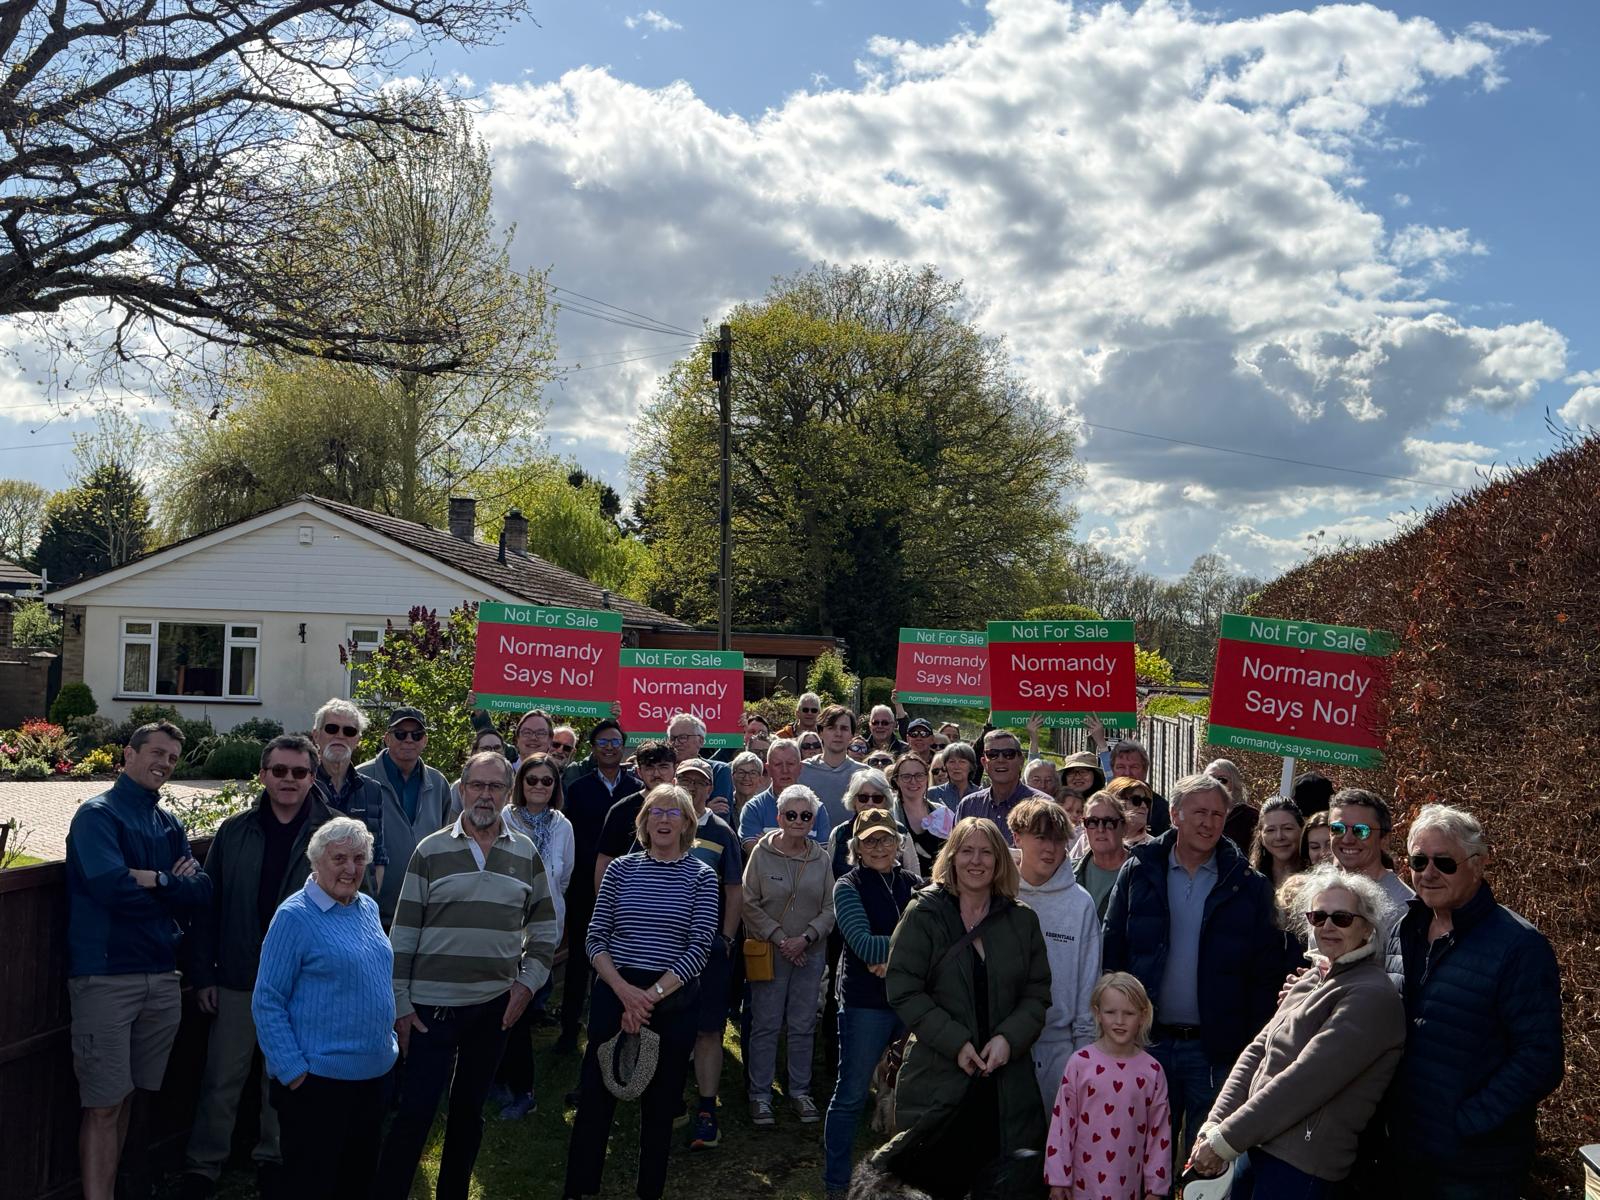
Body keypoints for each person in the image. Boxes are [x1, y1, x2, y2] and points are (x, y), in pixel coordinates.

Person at [374, 750, 559, 1200]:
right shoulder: (431, 849)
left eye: (495, 787)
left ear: (508, 794)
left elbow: (544, 928)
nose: (485, 795)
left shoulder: (525, 852)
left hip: (495, 1007)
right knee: (415, 1114)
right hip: (430, 1010)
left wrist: (526, 985)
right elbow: (403, 933)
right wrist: (400, 1004)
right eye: (477, 785)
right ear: (462, 790)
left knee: (468, 1113)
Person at [1187, 863, 1405, 1197]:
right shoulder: (1311, 978)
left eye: (1342, 918)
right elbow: (1257, 1052)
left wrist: (1225, 1139)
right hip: (1257, 1145)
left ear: (1367, 928)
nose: (1328, 926)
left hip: (1302, 1166)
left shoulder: (1371, 994)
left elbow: (1305, 1080)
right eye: (1318, 917)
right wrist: (1214, 1124)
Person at [1382, 804, 1563, 1199]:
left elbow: (1541, 1058)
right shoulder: (1401, 930)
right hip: (1401, 1153)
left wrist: (1467, 1122)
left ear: (1478, 865)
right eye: (1419, 861)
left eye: (1445, 862)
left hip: (1474, 1167)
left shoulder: (1519, 946)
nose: (1429, 873)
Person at [181, 735, 335, 1200]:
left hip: (302, 983)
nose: (289, 779)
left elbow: (350, 905)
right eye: (279, 770)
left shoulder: (333, 833)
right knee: (220, 1078)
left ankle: (273, 1160)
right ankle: (203, 1166)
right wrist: (204, 975)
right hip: (238, 975)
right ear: (264, 774)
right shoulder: (234, 831)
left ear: (312, 777)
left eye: (299, 772)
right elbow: (209, 906)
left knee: (284, 1078)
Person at [1101, 773, 1282, 1167]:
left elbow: (1264, 974)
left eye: (1217, 814)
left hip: (1214, 1051)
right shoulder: (1140, 871)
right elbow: (1113, 950)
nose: (1208, 822)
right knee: (1143, 1156)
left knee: (1206, 1165)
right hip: (1148, 1042)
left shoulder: (1248, 886)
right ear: (1175, 815)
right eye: (1199, 812)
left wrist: (1248, 1044)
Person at [66, 720, 212, 1200]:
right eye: (156, 753)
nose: (164, 764)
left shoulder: (167, 822)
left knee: (129, 1096)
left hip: (161, 975)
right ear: (128, 754)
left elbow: (201, 890)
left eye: (172, 758)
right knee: (103, 1104)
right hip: (106, 976)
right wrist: (172, 888)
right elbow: (111, 889)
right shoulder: (97, 816)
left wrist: (158, 880)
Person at [872, 817, 1052, 1199]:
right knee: (932, 1185)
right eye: (967, 851)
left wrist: (1008, 1039)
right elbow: (903, 988)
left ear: (1000, 860)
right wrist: (956, 1042)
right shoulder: (924, 914)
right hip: (939, 1080)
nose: (976, 860)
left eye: (986, 852)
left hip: (1006, 1088)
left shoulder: (1022, 920)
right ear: (951, 857)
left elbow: (1037, 994)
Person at [562, 785, 719, 1200]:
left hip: (672, 997)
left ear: (687, 823)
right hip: (615, 990)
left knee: (661, 1102)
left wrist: (648, 997)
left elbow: (700, 948)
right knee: (595, 1096)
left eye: (673, 813)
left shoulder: (702, 876)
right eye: (656, 812)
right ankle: (580, 1189)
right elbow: (596, 937)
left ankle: (649, 1190)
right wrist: (623, 991)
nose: (663, 819)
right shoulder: (620, 870)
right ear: (644, 822)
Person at [251, 817, 396, 1200]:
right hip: (318, 1085)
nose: (351, 868)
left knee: (358, 1185)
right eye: (339, 858)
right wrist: (293, 1071)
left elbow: (375, 976)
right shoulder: (294, 916)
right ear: (316, 861)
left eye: (359, 858)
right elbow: (267, 1000)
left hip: (372, 1078)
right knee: (312, 1187)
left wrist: (388, 1044)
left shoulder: (366, 907)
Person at [821, 809, 920, 1200]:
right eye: (870, 840)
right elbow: (862, 944)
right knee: (851, 1093)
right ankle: (836, 1183)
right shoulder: (847, 886)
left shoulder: (914, 884)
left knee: (912, 1094)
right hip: (865, 1004)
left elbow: (934, 940)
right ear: (857, 848)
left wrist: (893, 958)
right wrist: (909, 952)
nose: (879, 847)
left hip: (909, 1001)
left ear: (898, 843)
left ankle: (903, 1181)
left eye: (887, 839)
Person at [742, 784, 837, 1126]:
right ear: (779, 817)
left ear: (813, 820)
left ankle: (800, 1090)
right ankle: (760, 1094)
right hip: (770, 952)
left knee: (802, 1024)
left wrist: (806, 938)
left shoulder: (821, 858)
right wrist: (783, 939)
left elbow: (831, 906)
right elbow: (749, 902)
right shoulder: (761, 853)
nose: (799, 820)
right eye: (792, 814)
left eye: (806, 815)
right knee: (765, 1024)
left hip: (810, 953)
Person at [666, 759, 746, 1150]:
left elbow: (734, 888)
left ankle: (706, 1110)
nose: (692, 788)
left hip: (708, 948)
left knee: (708, 1029)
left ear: (710, 789)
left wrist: (727, 938)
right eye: (685, 780)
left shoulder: (722, 832)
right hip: (663, 946)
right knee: (666, 1025)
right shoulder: (660, 822)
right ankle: (669, 1099)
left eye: (700, 782)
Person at [495, 753, 575, 1118]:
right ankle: (502, 1080)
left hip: (543, 929)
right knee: (503, 1006)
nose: (539, 786)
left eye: (547, 780)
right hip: (504, 926)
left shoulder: (562, 825)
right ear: (520, 783)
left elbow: (563, 877)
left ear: (555, 786)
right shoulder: (505, 819)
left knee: (522, 1008)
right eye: (532, 780)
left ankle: (522, 1090)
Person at [1043, 972, 1172, 1200]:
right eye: (1111, 1012)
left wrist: (1156, 1189)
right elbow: (1062, 1123)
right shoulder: (1080, 1063)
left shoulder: (1152, 1071)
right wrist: (1058, 1178)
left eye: (1129, 1013)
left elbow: (1159, 1133)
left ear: (1143, 1016)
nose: (1119, 1021)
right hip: (1081, 1188)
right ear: (1097, 1013)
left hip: (1128, 1188)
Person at [1007, 798, 1100, 1109]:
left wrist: (1083, 1055)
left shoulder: (1080, 903)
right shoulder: (999, 893)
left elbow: (1089, 982)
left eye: (1058, 839)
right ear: (1017, 837)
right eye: (1040, 837)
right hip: (1001, 1045)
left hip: (1059, 1049)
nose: (1050, 848)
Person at [555, 720, 641, 1055]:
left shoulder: (637, 790)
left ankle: (614, 1030)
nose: (609, 747)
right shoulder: (578, 789)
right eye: (603, 742)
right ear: (593, 748)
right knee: (579, 959)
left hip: (628, 889)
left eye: (615, 742)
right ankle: (569, 1030)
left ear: (623, 746)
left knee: (619, 960)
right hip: (583, 885)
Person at [357, 706, 456, 922]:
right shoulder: (361, 779)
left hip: (424, 911)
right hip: (371, 912)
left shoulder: (438, 783)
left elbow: (445, 841)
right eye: (400, 734)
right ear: (387, 738)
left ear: (425, 740)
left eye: (416, 734)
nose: (409, 740)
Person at [309, 697, 389, 895]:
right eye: (332, 729)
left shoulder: (372, 790)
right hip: (311, 900)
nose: (340, 736)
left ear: (358, 740)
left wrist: (371, 895)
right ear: (316, 735)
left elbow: (378, 854)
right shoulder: (303, 786)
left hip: (356, 901)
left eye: (349, 731)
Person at [953, 730, 1044, 847]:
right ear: (984, 763)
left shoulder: (1042, 806)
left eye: (1008, 754)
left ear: (1021, 761)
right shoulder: (968, 806)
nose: (1001, 759)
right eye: (992, 754)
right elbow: (955, 851)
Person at [738, 737, 831, 851]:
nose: (785, 770)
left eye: (790, 764)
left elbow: (820, 856)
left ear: (800, 767)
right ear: (768, 768)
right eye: (778, 764)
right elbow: (756, 854)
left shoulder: (817, 809)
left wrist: (769, 843)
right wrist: (803, 847)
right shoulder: (753, 808)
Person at [827, 768, 921, 878]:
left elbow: (915, 876)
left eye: (877, 798)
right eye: (863, 798)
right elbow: (829, 878)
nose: (870, 803)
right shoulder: (839, 833)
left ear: (886, 801)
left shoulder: (900, 831)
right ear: (854, 800)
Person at [1327, 788, 1413, 909]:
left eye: (1361, 830)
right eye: (1338, 828)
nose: (1347, 840)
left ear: (1384, 839)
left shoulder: (1403, 906)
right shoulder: (1321, 894)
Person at [1084, 718, 1171, 834]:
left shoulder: (1161, 809)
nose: (1127, 773)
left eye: (1134, 767)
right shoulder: (1099, 803)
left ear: (1145, 770)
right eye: (1120, 767)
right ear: (1113, 770)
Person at [800, 704, 867, 829]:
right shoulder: (801, 771)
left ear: (851, 735)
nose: (838, 733)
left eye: (844, 728)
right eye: (831, 728)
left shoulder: (864, 774)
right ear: (820, 732)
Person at [888, 752, 953, 875]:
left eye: (919, 775)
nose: (913, 781)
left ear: (927, 778)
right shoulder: (889, 816)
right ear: (896, 781)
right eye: (906, 776)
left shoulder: (943, 813)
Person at [1074, 790, 1130, 919]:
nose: (1100, 829)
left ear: (1124, 828)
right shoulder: (1069, 874)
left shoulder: (1143, 872)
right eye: (1092, 822)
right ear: (1085, 828)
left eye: (1109, 822)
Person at [667, 711, 736, 807]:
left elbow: (721, 812)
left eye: (683, 737)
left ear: (701, 741)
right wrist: (705, 809)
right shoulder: (662, 771)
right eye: (672, 738)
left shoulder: (719, 770)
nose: (676, 743)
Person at [1247, 797, 1306, 889]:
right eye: (1270, 830)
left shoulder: (1316, 879)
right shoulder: (1249, 878)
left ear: (1302, 830)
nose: (1279, 837)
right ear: (1260, 835)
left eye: (1287, 828)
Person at [449, 726, 510, 811]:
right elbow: (452, 817)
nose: (493, 752)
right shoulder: (459, 787)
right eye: (486, 748)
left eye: (497, 748)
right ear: (474, 752)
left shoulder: (513, 784)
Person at [1206, 758, 1258, 851]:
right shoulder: (1194, 811)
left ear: (1234, 784)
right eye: (1210, 779)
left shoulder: (1250, 816)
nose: (1215, 783)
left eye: (1222, 780)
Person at [1107, 775, 1156, 847]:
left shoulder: (1156, 847)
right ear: (1116, 803)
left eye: (1147, 801)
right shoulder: (1096, 841)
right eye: (1136, 800)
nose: (1144, 806)